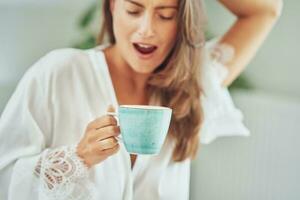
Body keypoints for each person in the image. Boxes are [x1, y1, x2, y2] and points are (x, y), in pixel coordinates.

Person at [0, 0, 282, 199]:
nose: (147, 29)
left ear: (182, 22)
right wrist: (77, 158)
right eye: (134, 10)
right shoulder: (60, 72)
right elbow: (4, 180)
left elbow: (265, 9)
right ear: (112, 7)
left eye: (166, 14)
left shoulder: (190, 85)